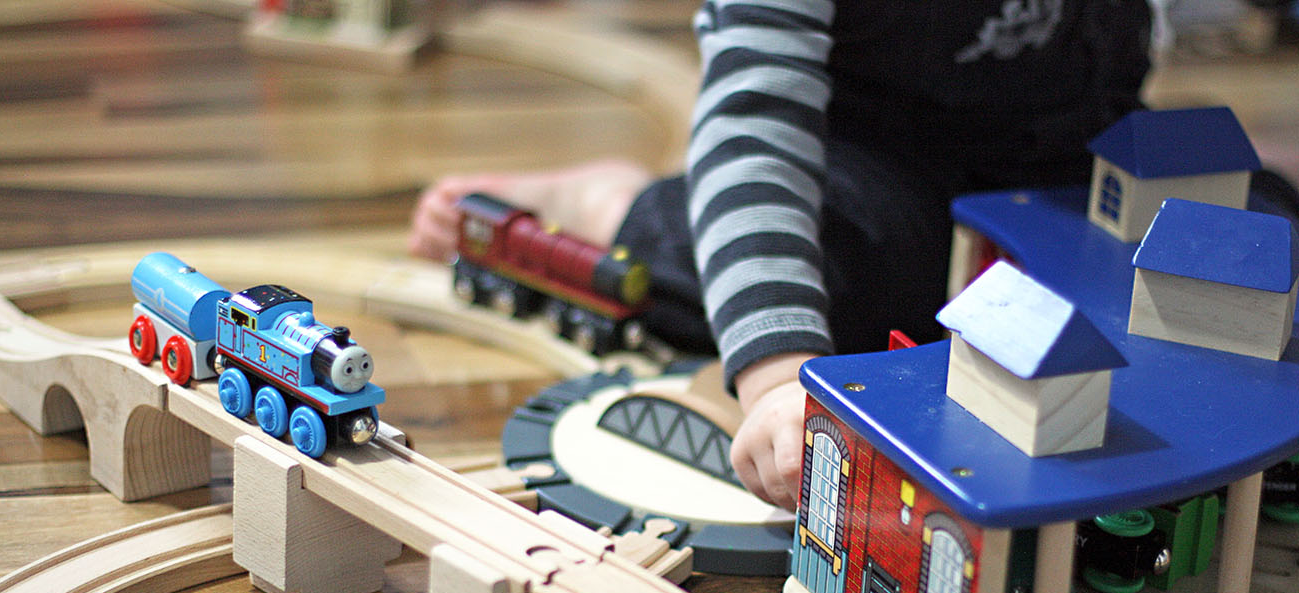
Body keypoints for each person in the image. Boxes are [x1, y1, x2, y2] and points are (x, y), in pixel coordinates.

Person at [408, 0, 1227, 511]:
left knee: (1251, 227)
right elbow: (757, 137)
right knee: (778, 278)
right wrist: (778, 381)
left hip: (1060, 165)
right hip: (864, 170)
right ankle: (611, 202)